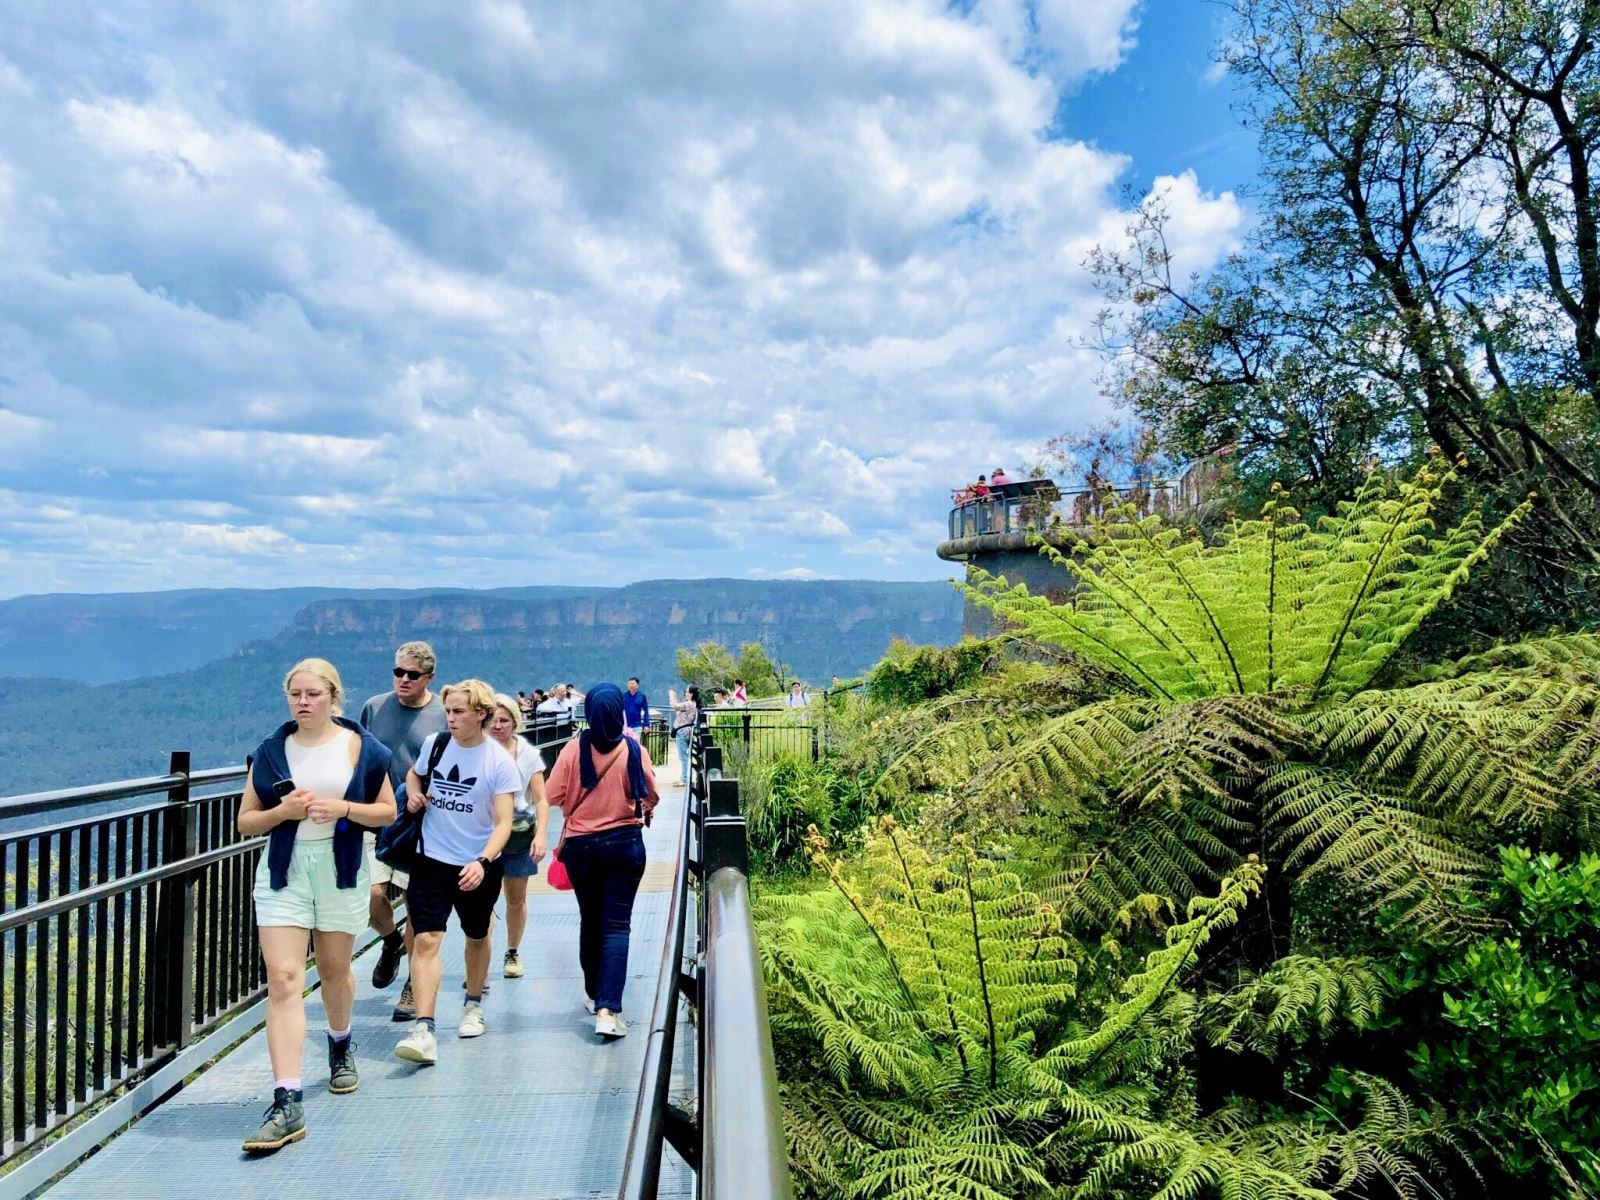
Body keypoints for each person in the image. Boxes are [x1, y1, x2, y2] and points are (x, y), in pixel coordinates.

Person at [237, 658, 398, 1153]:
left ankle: (340, 1042)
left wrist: (343, 808)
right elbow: (245, 822)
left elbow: (387, 811)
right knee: (284, 978)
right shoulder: (270, 752)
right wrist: (281, 812)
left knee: (333, 970)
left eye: (312, 694)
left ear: (333, 696)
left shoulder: (362, 749)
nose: (302, 702)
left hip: (340, 865)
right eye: (295, 694)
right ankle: (287, 1099)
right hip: (284, 870)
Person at [393, 679, 519, 1066]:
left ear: (480, 714)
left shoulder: (497, 761)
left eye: (459, 711)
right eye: (448, 711)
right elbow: (416, 774)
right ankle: (424, 1027)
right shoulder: (437, 745)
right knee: (427, 938)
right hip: (431, 858)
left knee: (476, 935)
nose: (450, 718)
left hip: (476, 864)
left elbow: (503, 823)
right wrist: (414, 792)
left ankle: (473, 1003)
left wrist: (482, 862)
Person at [544, 682, 661, 1038]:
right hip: (624, 845)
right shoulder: (633, 748)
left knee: (590, 920)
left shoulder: (571, 750)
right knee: (616, 926)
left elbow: (552, 795)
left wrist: (579, 805)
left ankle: (594, 992)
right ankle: (608, 1009)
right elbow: (651, 794)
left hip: (581, 849)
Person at [358, 640, 446, 1023]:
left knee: (415, 902)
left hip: (420, 822)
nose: (403, 680)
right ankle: (391, 942)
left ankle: (413, 984)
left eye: (412, 675)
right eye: (398, 672)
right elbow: (358, 754)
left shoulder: (443, 714)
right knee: (371, 895)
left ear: (429, 677)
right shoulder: (374, 708)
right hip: (376, 816)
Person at [488, 693, 549, 979]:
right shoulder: (477, 751)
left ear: (515, 722)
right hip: (483, 834)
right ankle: (480, 958)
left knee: (515, 897)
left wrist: (541, 836)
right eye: (492, 720)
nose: (497, 725)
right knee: (481, 901)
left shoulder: (527, 755)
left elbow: (541, 799)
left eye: (504, 720)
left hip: (518, 833)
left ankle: (512, 950)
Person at [667, 686, 700, 789]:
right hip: (686, 731)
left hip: (682, 731)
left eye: (686, 692)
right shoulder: (692, 704)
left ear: (691, 694)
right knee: (685, 756)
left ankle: (685, 779)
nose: (685, 693)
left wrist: (671, 696)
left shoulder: (689, 704)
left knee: (683, 757)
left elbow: (674, 706)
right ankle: (684, 777)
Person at [622, 677, 650, 742]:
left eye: (632, 684)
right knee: (626, 745)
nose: (631, 685)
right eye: (629, 684)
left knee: (635, 745)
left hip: (637, 726)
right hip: (625, 726)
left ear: (637, 685)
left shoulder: (642, 696)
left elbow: (646, 711)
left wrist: (647, 725)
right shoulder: (623, 696)